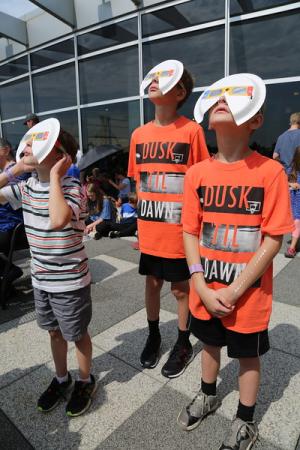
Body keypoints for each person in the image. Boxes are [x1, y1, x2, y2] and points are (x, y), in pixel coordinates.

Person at [177, 74, 294, 450]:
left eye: (234, 97)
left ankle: (245, 419)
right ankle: (208, 393)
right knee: (209, 346)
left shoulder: (270, 171)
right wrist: (198, 282)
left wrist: (236, 288)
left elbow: (274, 236)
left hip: (249, 296)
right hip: (205, 288)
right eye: (217, 98)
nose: (223, 100)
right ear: (208, 116)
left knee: (247, 357)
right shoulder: (196, 173)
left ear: (255, 120)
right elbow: (190, 231)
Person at [0, 123, 96, 417]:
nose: (26, 147)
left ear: (60, 155)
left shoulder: (71, 188)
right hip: (42, 280)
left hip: (70, 282)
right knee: (54, 333)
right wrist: (12, 171)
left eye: (37, 143)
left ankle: (84, 380)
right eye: (27, 143)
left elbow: (57, 219)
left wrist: (56, 176)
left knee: (77, 333)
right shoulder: (25, 186)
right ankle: (61, 377)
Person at [128, 60, 209, 378]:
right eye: (152, 78)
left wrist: (198, 230)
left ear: (180, 92)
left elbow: (202, 181)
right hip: (150, 231)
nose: (152, 82)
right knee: (151, 283)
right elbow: (139, 184)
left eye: (162, 80)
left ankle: (184, 341)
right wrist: (139, 227)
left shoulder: (192, 131)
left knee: (180, 289)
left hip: (179, 231)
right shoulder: (138, 134)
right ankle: (153, 334)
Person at [0, 138, 28, 284]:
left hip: (12, 229)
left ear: (5, 150)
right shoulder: (7, 173)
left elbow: (5, 199)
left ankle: (9, 270)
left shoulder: (20, 173)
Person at [285, 146, 300, 258]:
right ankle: (292, 248)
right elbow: (282, 183)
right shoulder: (291, 170)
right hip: (295, 201)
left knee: (297, 223)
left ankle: (292, 247)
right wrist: (291, 184)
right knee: (296, 223)